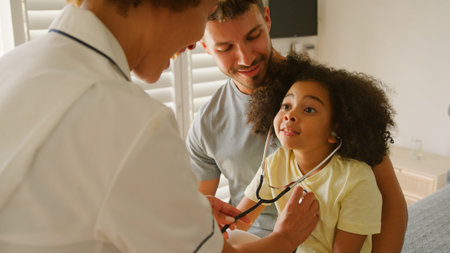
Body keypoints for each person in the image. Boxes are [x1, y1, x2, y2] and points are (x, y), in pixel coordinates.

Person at [0, 0, 320, 252]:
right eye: (207, 11)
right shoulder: (134, 123)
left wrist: (179, 211)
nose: (196, 43)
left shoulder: (15, 66)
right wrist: (286, 238)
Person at [186, 0, 408, 251]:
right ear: (204, 46)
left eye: (253, 35)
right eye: (225, 47)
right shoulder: (207, 124)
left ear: (267, 19)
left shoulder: (329, 95)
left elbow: (390, 201)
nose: (245, 58)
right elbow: (205, 218)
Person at [238, 54, 395, 252]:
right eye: (286, 105)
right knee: (234, 239)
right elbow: (238, 222)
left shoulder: (356, 180)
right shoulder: (275, 163)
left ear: (335, 130)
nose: (290, 115)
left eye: (309, 110)